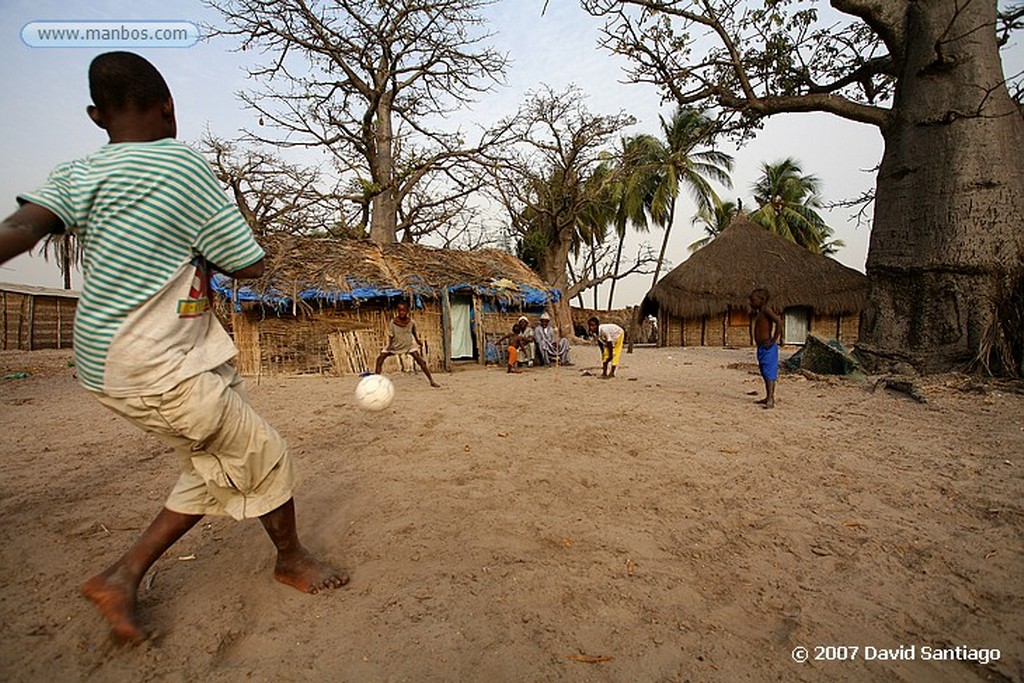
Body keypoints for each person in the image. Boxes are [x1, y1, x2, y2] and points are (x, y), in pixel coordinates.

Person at [0, 52, 347, 644]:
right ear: (170, 109)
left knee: (212, 466)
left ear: (94, 115)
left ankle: (122, 574)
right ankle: (290, 559)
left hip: (114, 360)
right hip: (156, 364)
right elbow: (250, 262)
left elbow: (22, 230)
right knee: (266, 455)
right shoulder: (181, 165)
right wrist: (207, 252)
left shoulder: (80, 173)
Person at [374, 301, 441, 387]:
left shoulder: (411, 322)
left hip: (408, 345)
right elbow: (391, 335)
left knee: (421, 362)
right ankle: (375, 382)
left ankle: (431, 381)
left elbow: (414, 332)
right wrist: (389, 347)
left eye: (403, 310)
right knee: (379, 359)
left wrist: (417, 341)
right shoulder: (393, 322)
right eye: (400, 310)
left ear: (407, 311)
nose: (402, 312)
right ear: (397, 311)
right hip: (395, 345)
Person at [749, 287, 783, 408]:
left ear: (762, 300)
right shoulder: (760, 313)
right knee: (764, 371)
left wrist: (774, 340)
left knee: (769, 372)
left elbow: (779, 322)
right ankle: (768, 396)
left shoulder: (766, 310)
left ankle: (771, 399)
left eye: (753, 300)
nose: (750, 302)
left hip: (768, 347)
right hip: (762, 348)